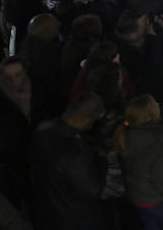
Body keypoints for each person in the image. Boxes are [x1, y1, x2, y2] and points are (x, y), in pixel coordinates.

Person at [30, 91, 106, 230]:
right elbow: (92, 191)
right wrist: (102, 163)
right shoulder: (76, 152)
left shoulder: (42, 128)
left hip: (46, 212)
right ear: (88, 119)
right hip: (75, 218)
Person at [116, 95, 163, 230]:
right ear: (149, 117)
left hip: (138, 197)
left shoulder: (125, 135)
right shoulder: (158, 145)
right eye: (155, 104)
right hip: (158, 201)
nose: (159, 105)